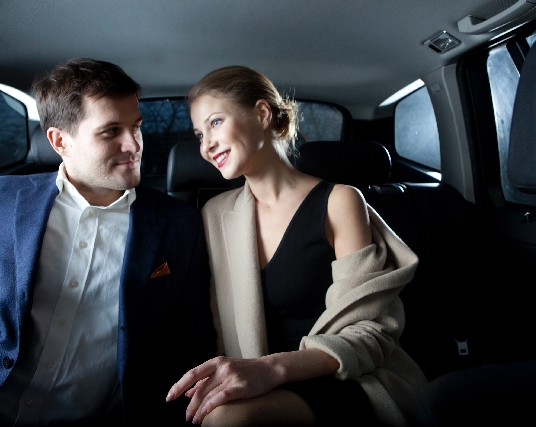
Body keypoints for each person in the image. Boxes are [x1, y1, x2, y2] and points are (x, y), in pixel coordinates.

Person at [0, 58, 216, 426]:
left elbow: (191, 338)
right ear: (59, 141)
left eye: (136, 126)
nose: (134, 144)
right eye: (111, 131)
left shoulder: (179, 224)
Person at [166, 65, 427, 426]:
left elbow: (371, 331)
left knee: (227, 420)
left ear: (262, 114)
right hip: (256, 384)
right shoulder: (215, 214)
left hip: (344, 377)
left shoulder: (339, 202)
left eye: (215, 123)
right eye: (199, 134)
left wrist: (272, 369)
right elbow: (210, 326)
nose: (205, 145)